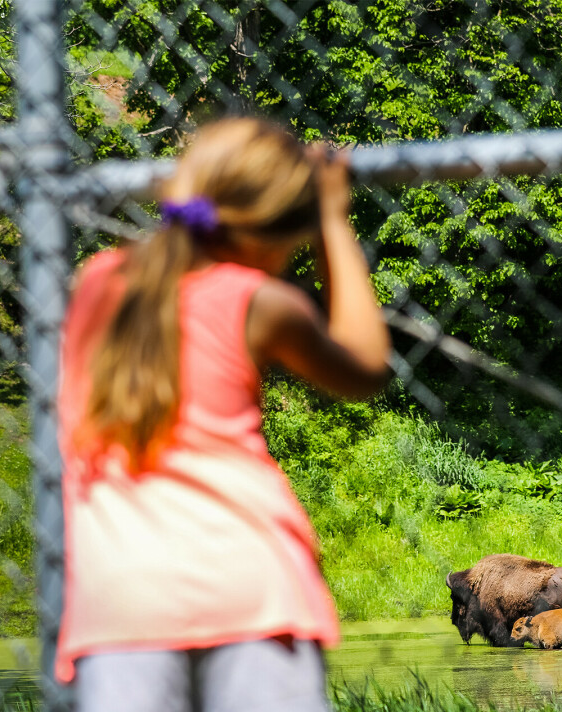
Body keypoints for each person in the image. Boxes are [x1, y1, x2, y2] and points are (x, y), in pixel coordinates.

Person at [55, 117, 390, 711]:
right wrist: (334, 222)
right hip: (249, 589)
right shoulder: (259, 303)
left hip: (119, 599)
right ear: (277, 233)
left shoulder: (97, 283)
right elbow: (365, 368)